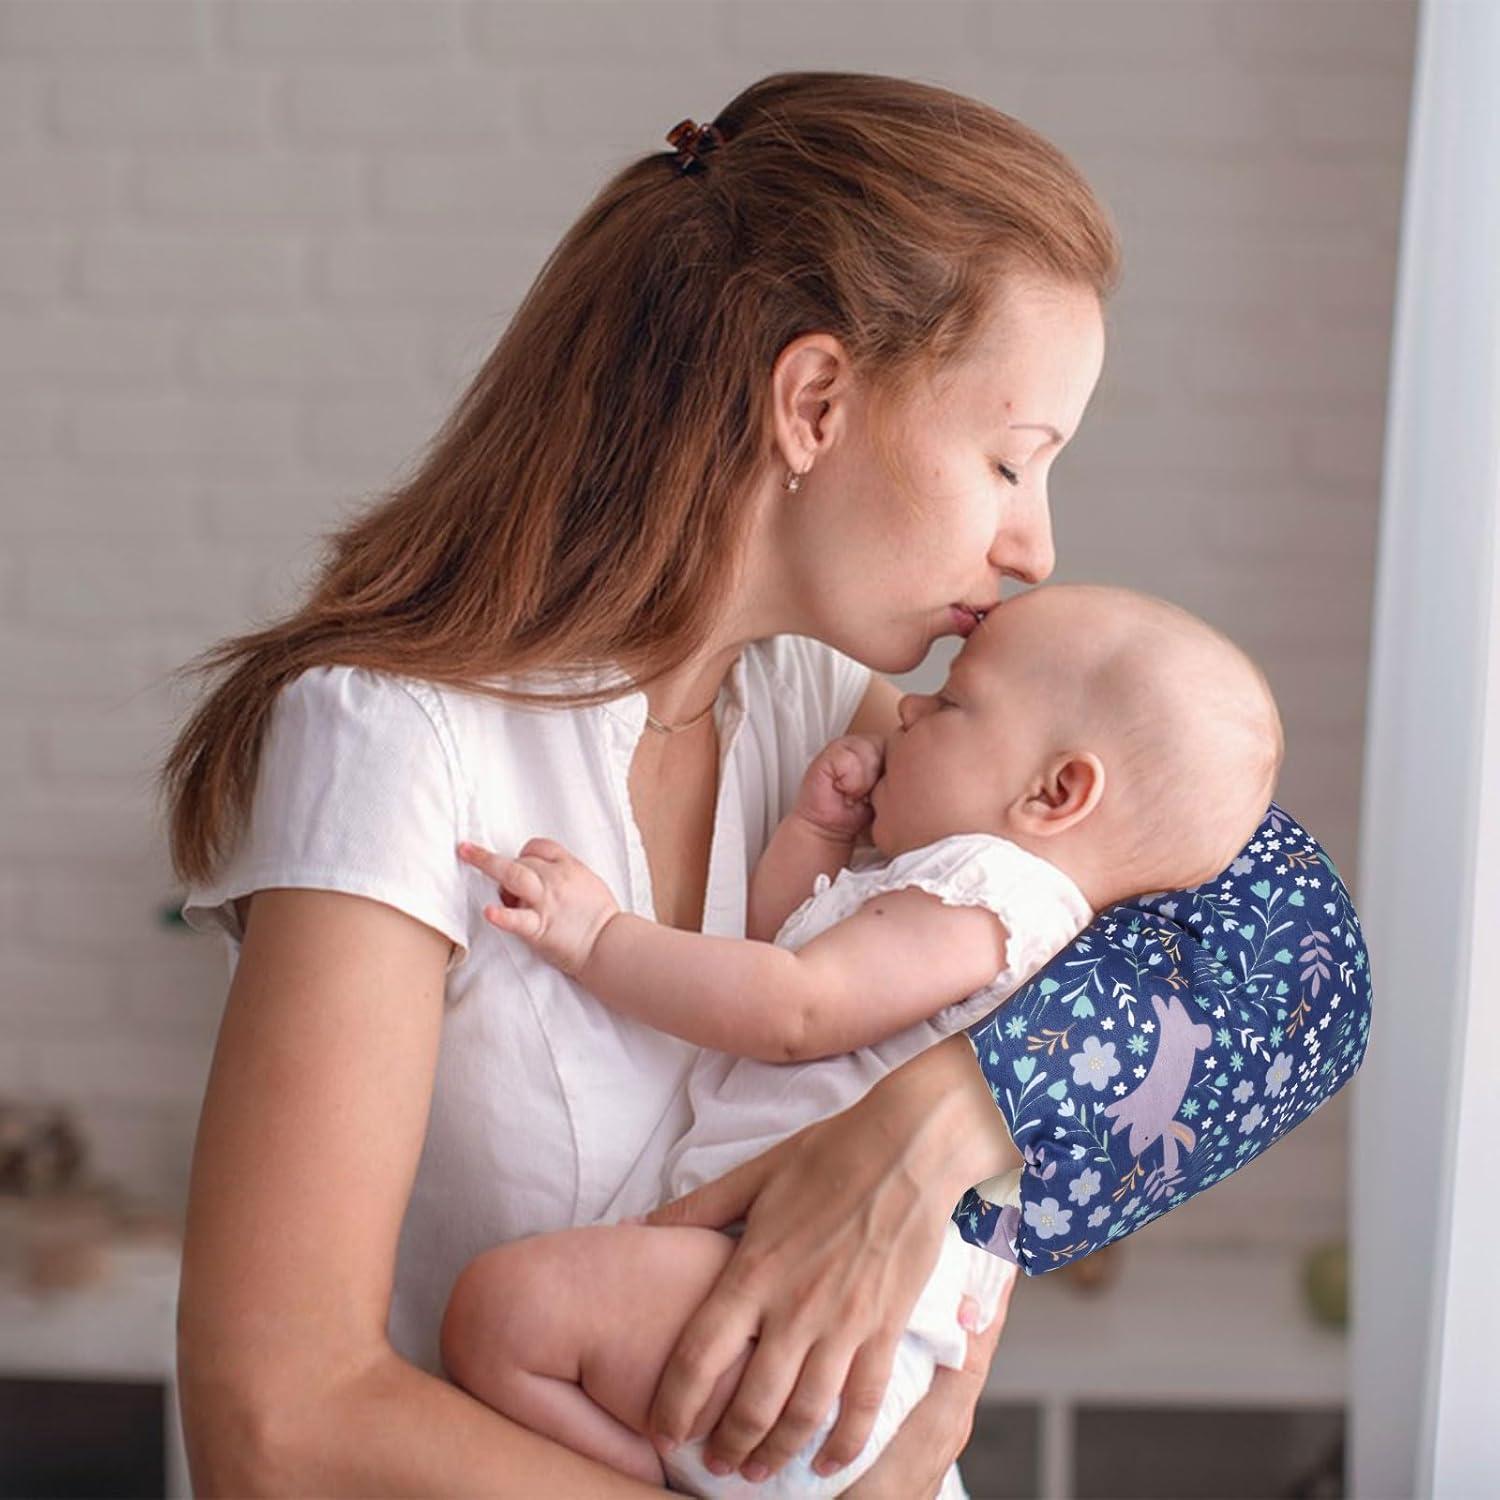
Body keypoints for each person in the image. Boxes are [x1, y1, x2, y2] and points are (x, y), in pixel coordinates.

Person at [160, 72, 1366, 1496]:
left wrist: (954, 1117)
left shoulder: (839, 726)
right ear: (813, 402)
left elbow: (1306, 974)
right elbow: (274, 1422)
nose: (1037, 547)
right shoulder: (397, 745)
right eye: (1009, 461)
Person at [436, 583, 1283, 1495]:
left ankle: (647, 1472)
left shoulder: (993, 893)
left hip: (798, 1321)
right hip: (805, 1325)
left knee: (504, 1317)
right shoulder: (953, 893)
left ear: (1055, 792)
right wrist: (819, 836)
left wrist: (601, 941)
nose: (909, 708)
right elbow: (787, 952)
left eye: (953, 702)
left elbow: (794, 1010)